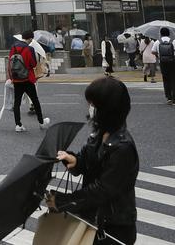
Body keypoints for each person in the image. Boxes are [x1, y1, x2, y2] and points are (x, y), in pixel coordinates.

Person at [47, 77, 139, 245]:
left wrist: (64, 202)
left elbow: (103, 190)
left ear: (107, 109)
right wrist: (73, 160)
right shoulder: (98, 135)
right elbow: (87, 162)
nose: (90, 109)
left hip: (113, 228)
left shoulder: (123, 147)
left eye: (94, 105)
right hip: (93, 219)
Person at [9, 31, 50, 132]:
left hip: (16, 79)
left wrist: (11, 77)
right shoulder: (29, 48)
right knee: (35, 100)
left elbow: (10, 63)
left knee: (17, 102)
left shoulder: (13, 47)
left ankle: (18, 125)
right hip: (27, 79)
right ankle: (41, 122)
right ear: (31, 38)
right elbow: (33, 64)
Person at [150, 27, 175, 104]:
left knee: (166, 79)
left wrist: (159, 56)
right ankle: (174, 97)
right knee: (173, 79)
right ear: (169, 33)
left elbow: (153, 51)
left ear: (161, 34)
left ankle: (169, 98)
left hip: (163, 63)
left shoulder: (158, 42)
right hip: (173, 62)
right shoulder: (173, 41)